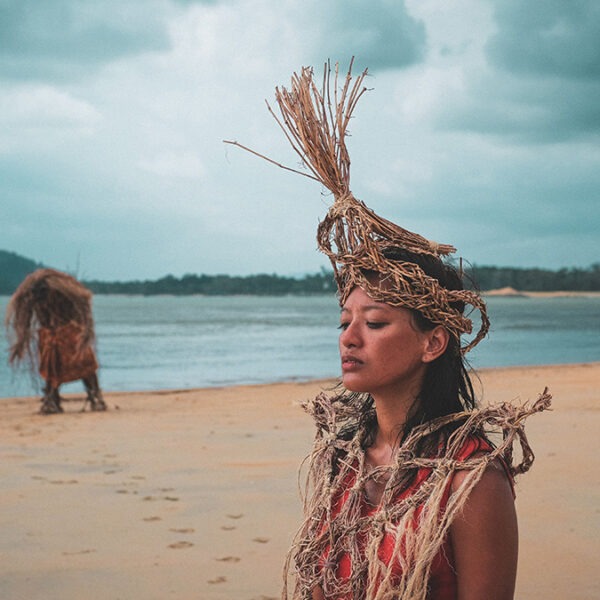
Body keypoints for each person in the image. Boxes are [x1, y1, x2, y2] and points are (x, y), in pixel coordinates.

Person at [227, 60, 550, 600]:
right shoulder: (343, 457)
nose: (349, 337)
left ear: (433, 342)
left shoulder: (470, 481)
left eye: (375, 322)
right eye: (344, 321)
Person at [5, 268, 106, 414]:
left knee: (83, 367)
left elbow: (83, 300)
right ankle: (55, 400)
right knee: (54, 369)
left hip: (69, 334)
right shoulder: (38, 298)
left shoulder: (63, 295)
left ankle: (89, 398)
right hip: (55, 335)